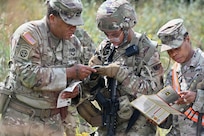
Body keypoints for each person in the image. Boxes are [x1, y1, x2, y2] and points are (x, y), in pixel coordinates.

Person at [0, 0, 96, 136]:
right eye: (69, 24)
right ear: (52, 18)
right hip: (21, 117)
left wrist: (75, 89)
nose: (73, 29)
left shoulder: (73, 42)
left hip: (53, 120)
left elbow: (81, 75)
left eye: (76, 25)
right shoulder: (29, 35)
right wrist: (69, 73)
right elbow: (27, 75)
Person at [78, 0, 164, 135]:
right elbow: (90, 86)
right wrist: (93, 76)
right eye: (107, 34)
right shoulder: (106, 48)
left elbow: (154, 92)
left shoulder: (147, 50)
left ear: (127, 26)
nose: (111, 39)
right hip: (110, 119)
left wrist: (122, 74)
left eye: (115, 34)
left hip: (138, 124)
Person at [157, 18, 204, 136]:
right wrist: (159, 117)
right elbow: (170, 120)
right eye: (169, 51)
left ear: (187, 39)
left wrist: (197, 97)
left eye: (177, 48)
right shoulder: (173, 73)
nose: (173, 54)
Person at [63, 27, 98, 136]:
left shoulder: (81, 35)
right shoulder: (41, 36)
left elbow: (92, 69)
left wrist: (79, 87)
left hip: (78, 102)